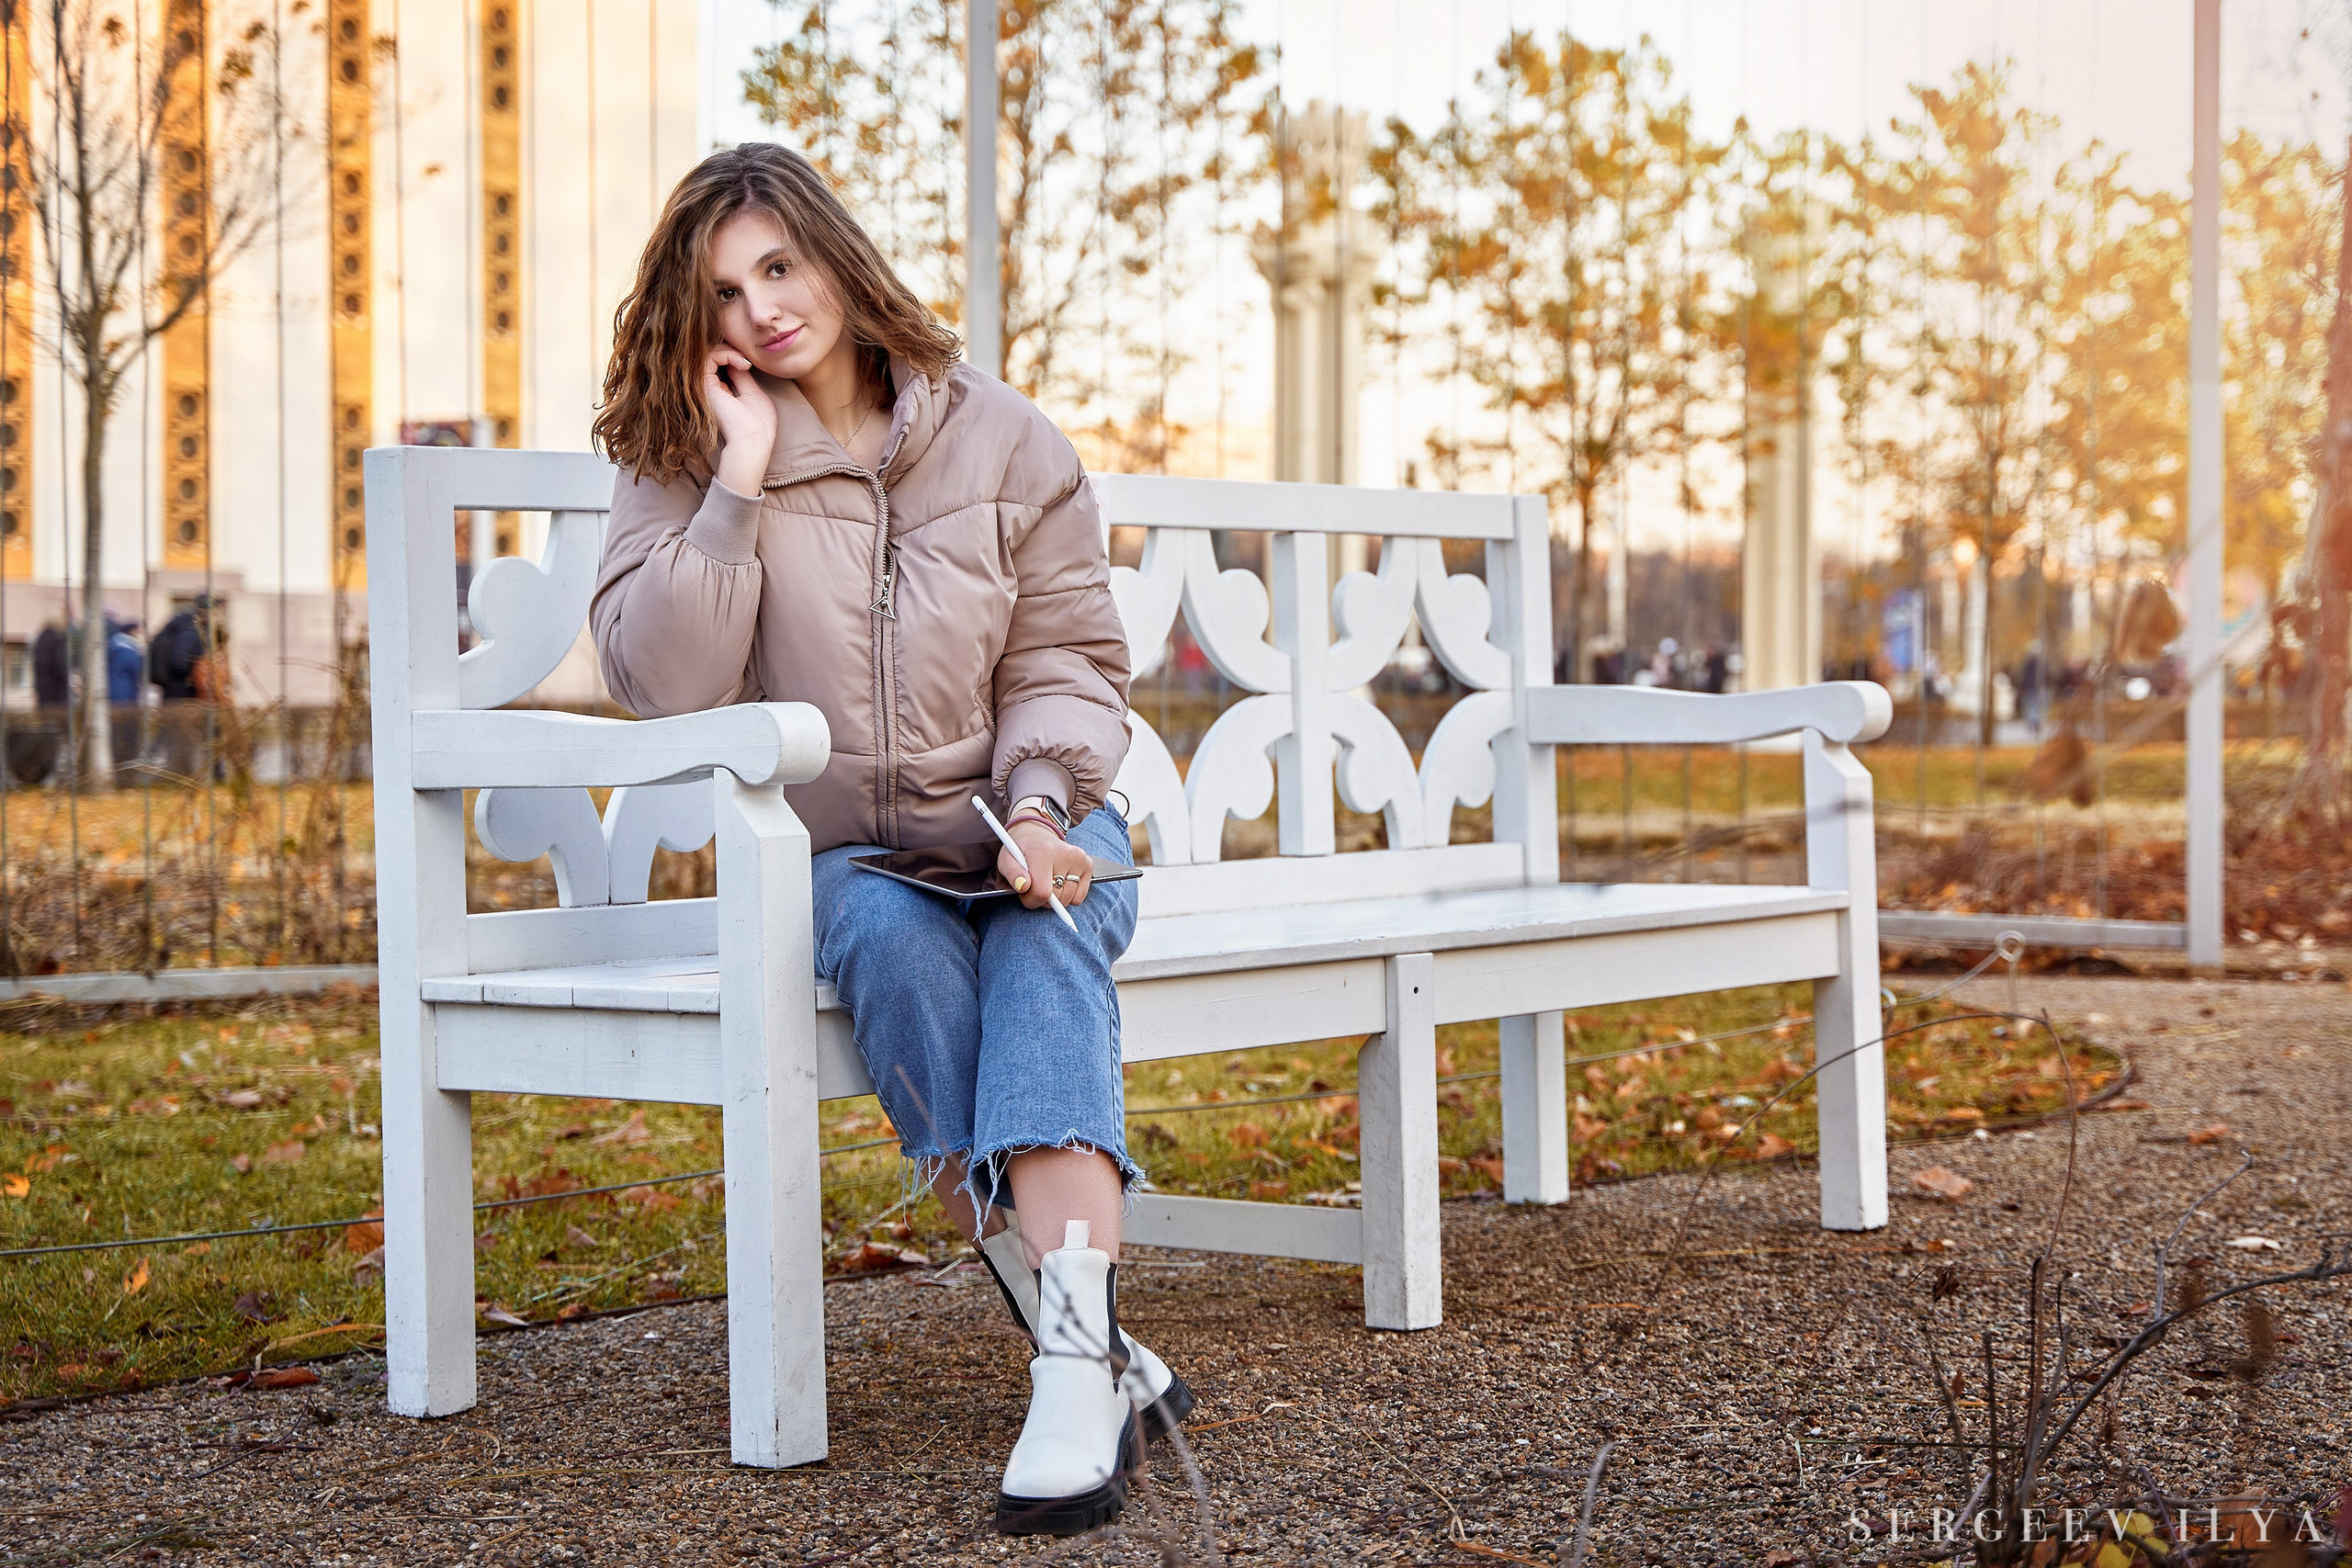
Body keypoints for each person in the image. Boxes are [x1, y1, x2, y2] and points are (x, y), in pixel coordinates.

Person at [588, 143, 1185, 1536]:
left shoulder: (1005, 439)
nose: (760, 310)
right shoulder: (683, 455)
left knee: (1042, 941)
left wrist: (1037, 809)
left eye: (779, 266)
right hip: (852, 859)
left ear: (837, 258)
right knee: (898, 953)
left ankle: (1071, 1366)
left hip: (1035, 817)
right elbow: (660, 682)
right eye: (723, 292)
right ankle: (1089, 1353)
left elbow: (1066, 658)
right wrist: (738, 481)